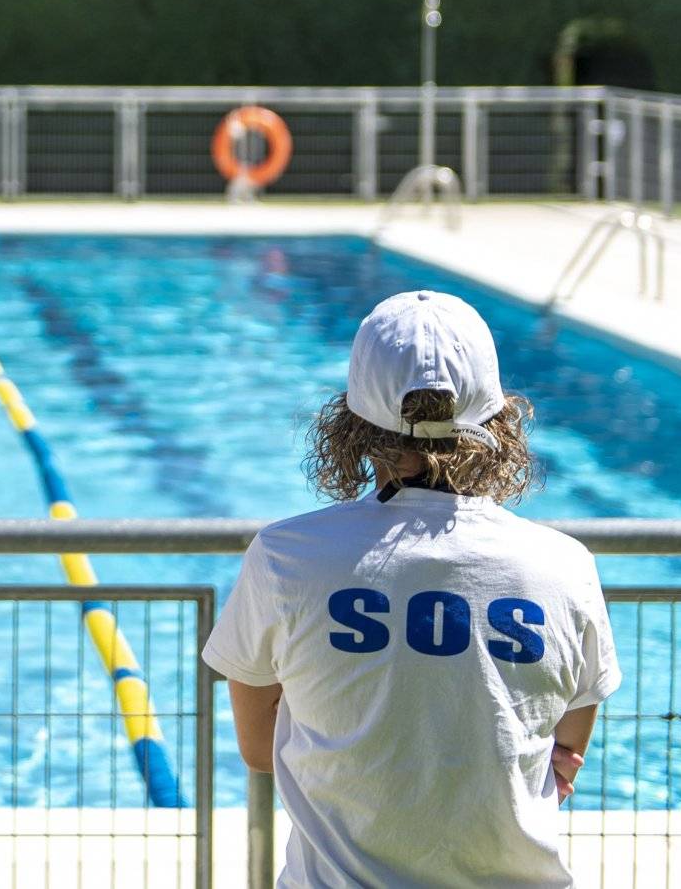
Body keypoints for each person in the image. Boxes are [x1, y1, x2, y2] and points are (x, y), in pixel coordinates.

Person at [202, 290, 620, 888]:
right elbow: (565, 753)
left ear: (353, 423)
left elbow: (260, 749)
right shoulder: (563, 565)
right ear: (498, 420)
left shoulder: (287, 557)